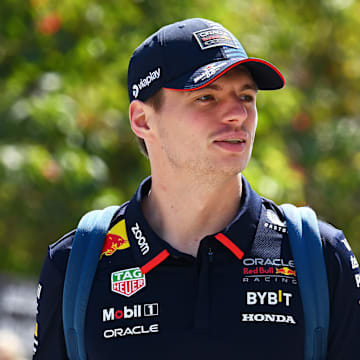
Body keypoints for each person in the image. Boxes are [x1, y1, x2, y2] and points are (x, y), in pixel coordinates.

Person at [33, 18, 360, 359]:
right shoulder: (75, 263)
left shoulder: (319, 255)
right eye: (206, 97)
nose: (237, 113)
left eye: (246, 96)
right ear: (143, 120)